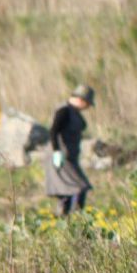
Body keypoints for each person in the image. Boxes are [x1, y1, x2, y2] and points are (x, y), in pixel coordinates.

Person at [45, 85, 95, 215]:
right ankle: (75, 218)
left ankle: (65, 219)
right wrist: (56, 151)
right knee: (78, 187)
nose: (87, 107)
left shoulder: (74, 112)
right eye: (87, 104)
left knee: (68, 191)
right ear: (81, 100)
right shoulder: (64, 111)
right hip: (61, 158)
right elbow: (53, 131)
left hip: (69, 158)